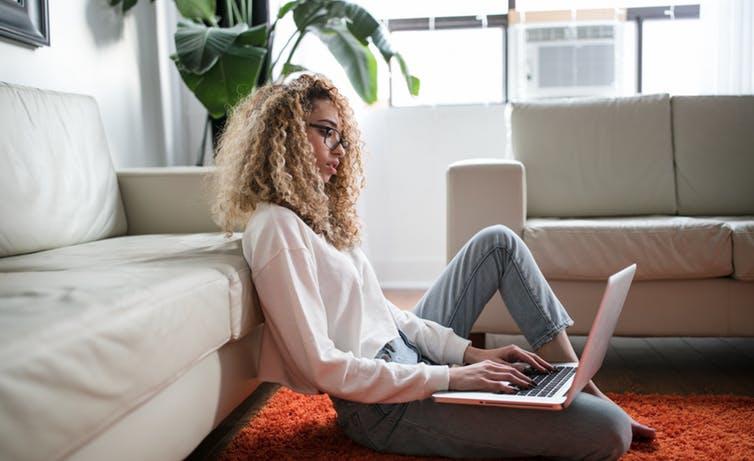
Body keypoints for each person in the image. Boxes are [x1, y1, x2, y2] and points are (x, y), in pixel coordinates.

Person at [211, 73, 655, 460]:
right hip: (382, 408)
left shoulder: (316, 218)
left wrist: (470, 355)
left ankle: (580, 383)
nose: (339, 150)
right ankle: (580, 400)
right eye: (326, 132)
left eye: (341, 138)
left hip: (408, 359)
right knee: (608, 432)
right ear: (284, 133)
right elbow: (321, 366)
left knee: (497, 242)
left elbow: (389, 316)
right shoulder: (276, 228)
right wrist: (451, 377)